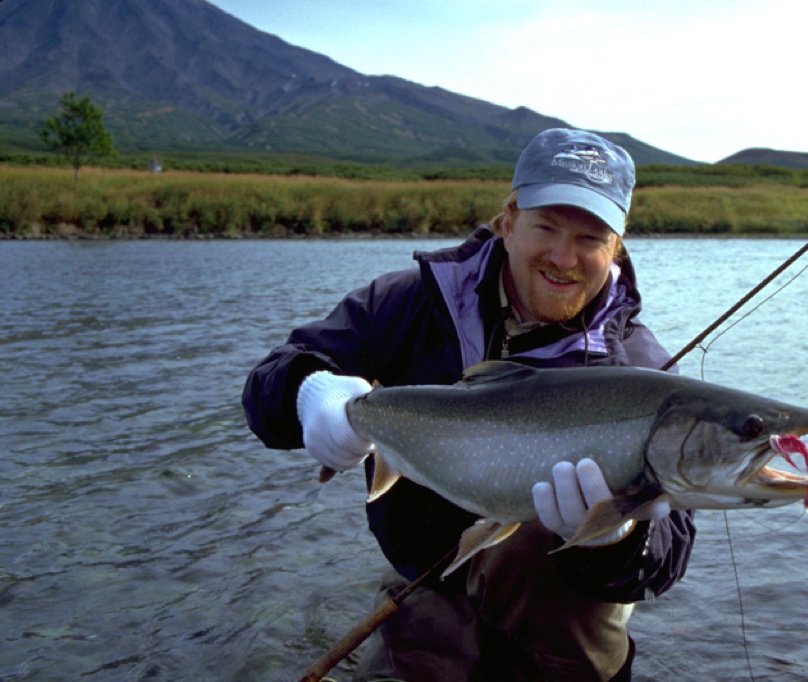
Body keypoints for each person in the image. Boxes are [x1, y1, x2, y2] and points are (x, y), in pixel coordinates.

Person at [242, 128, 696, 681]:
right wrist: (310, 394)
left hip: (564, 614)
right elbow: (267, 384)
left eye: (590, 238)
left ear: (616, 247)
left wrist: (617, 537)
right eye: (546, 227)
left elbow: (665, 561)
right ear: (508, 222)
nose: (563, 256)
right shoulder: (411, 301)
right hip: (426, 582)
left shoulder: (643, 370)